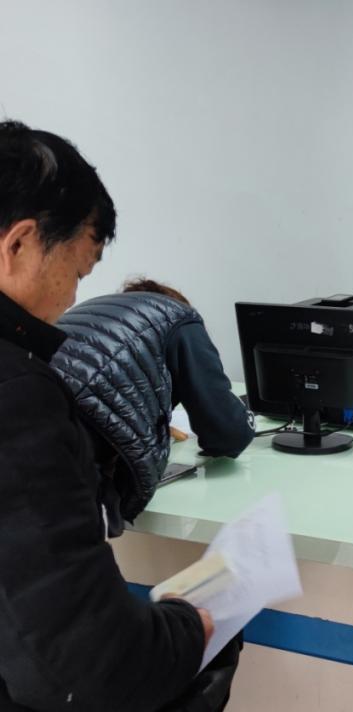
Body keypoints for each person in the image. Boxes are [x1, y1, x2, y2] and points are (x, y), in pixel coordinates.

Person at [0, 120, 221, 710]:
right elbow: (86, 665)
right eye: (75, 273)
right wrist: (188, 627)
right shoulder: (16, 393)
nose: (72, 299)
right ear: (19, 245)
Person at [51, 277, 254, 532]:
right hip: (72, 469)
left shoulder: (93, 313)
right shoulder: (180, 318)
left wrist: (146, 422)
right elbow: (228, 433)